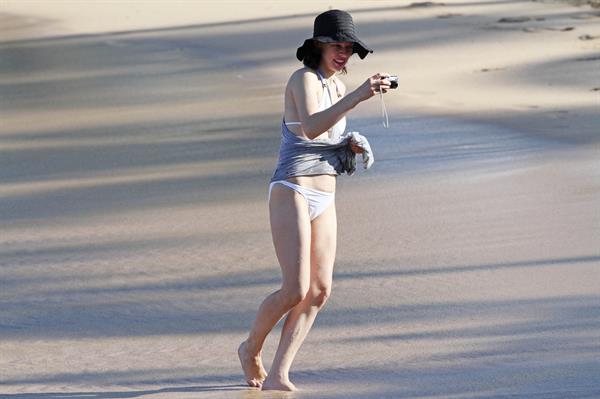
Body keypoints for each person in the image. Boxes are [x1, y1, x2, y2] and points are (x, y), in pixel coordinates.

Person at [238, 9, 391, 391]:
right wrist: (359, 96)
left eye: (349, 48)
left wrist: (349, 144)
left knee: (320, 291)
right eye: (337, 45)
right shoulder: (302, 79)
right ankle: (250, 348)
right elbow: (309, 126)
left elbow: (326, 136)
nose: (344, 53)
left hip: (326, 195)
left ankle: (278, 373)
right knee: (294, 289)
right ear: (319, 45)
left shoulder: (338, 87)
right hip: (291, 189)